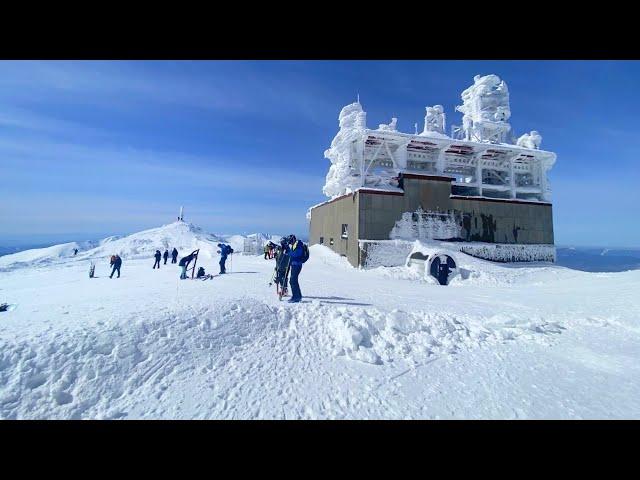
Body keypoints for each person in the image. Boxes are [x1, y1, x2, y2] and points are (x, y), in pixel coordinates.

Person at [285, 235, 305, 303]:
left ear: (292, 239)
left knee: (293, 280)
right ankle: (297, 296)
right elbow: (292, 254)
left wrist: (288, 252)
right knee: (293, 280)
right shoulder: (294, 245)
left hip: (297, 265)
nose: (290, 243)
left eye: (290, 241)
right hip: (294, 265)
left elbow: (297, 254)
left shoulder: (299, 244)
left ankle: (296, 297)